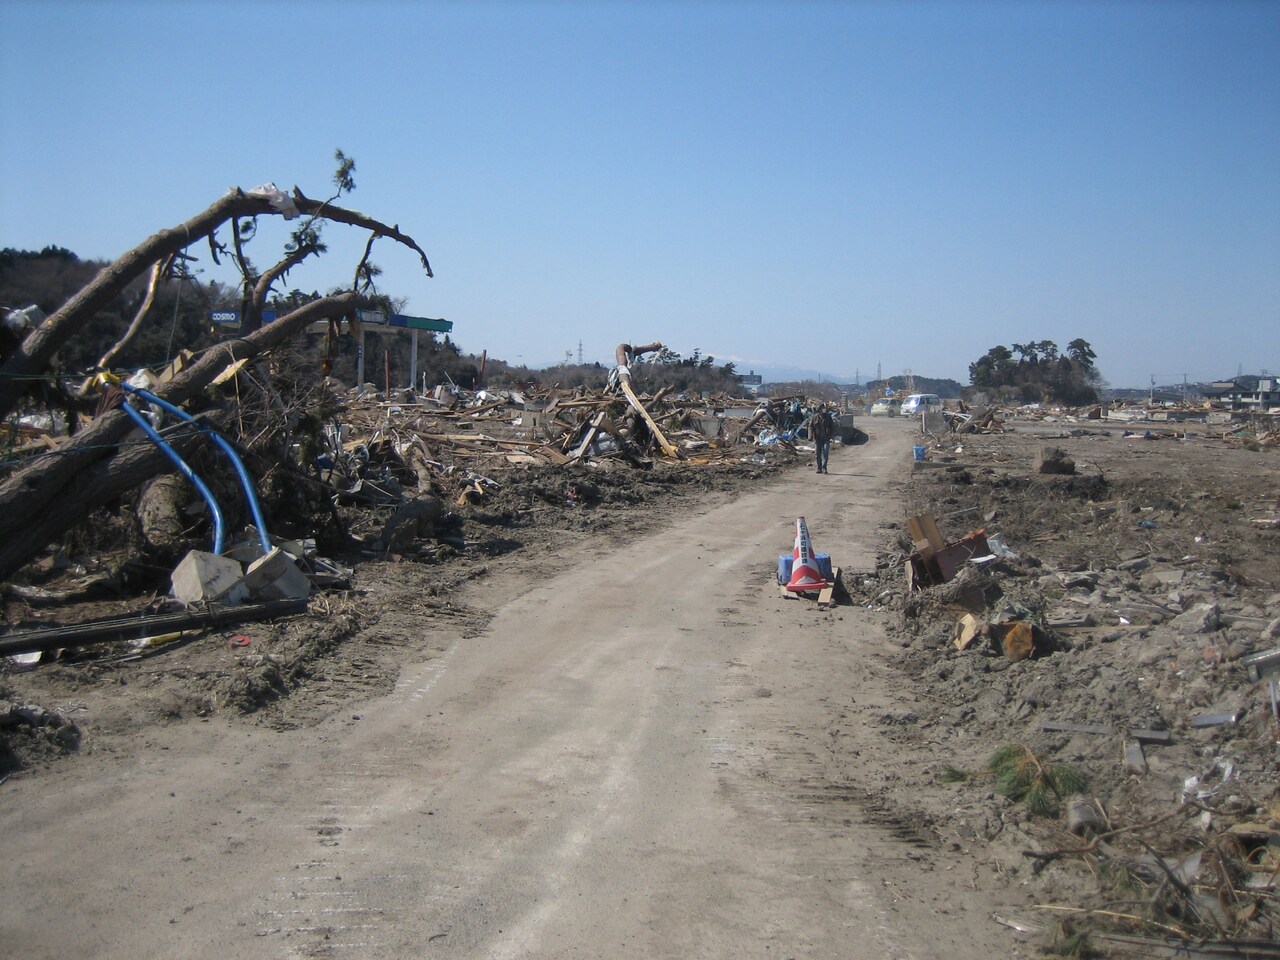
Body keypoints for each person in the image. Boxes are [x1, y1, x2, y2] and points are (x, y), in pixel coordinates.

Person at [810, 404, 835, 474]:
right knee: (817, 454)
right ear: (819, 409)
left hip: (826, 438)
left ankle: (824, 468)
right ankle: (819, 467)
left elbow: (832, 426)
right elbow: (810, 427)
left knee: (825, 453)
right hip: (817, 438)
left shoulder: (828, 417)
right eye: (823, 408)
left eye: (825, 408)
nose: (824, 409)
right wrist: (810, 436)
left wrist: (832, 436)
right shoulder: (815, 417)